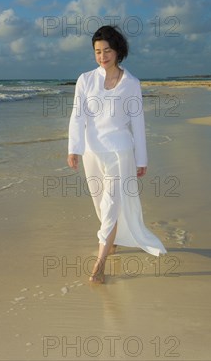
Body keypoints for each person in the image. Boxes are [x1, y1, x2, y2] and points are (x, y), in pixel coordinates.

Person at [67, 25, 167, 284]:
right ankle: (110, 241)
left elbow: (138, 123)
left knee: (112, 203)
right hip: (92, 152)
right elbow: (77, 117)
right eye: (98, 52)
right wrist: (74, 149)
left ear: (118, 50)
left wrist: (141, 158)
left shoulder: (131, 84)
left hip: (120, 152)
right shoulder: (85, 80)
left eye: (107, 50)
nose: (102, 56)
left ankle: (99, 265)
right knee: (100, 203)